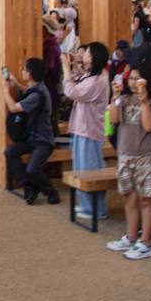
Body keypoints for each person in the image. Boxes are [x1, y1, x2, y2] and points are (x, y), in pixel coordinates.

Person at [106, 50, 151, 260]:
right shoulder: (125, 100)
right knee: (129, 198)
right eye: (130, 78)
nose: (132, 82)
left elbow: (149, 126)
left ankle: (146, 243)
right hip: (126, 155)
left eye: (137, 79)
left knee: (147, 200)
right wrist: (114, 97)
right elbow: (113, 120)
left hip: (148, 157)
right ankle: (131, 237)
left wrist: (144, 101)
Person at [63, 42, 110, 221]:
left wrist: (65, 68)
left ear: (95, 57)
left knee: (90, 170)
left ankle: (97, 209)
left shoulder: (98, 80)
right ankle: (87, 206)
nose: (84, 56)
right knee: (81, 169)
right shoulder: (93, 75)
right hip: (83, 128)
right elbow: (79, 81)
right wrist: (73, 66)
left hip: (89, 130)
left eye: (87, 53)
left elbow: (72, 92)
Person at [3, 57, 59, 205]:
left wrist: (5, 91)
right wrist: (17, 84)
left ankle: (51, 192)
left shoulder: (37, 94)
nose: (22, 70)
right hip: (31, 138)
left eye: (24, 69)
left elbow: (13, 108)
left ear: (31, 74)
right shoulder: (38, 87)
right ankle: (29, 185)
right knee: (10, 152)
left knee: (32, 169)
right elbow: (28, 90)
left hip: (43, 140)